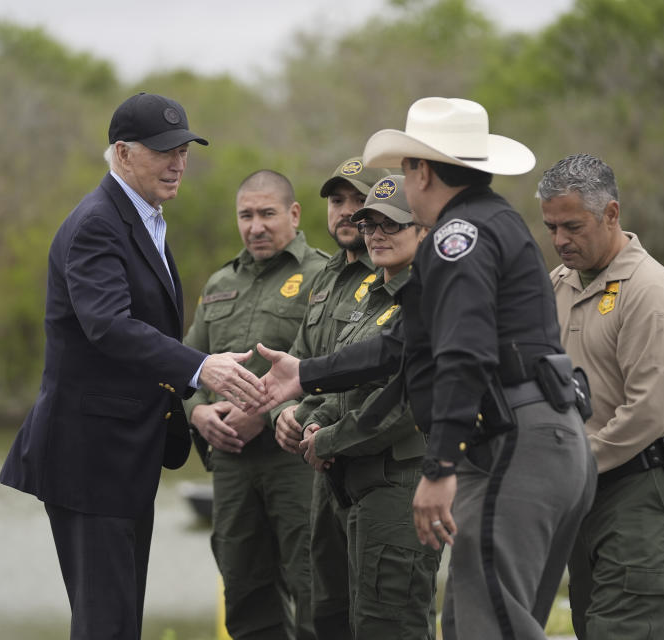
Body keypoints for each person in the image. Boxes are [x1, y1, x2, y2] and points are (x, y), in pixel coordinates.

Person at [255, 97, 596, 640]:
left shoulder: (458, 239)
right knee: (470, 623)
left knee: (491, 625)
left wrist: (438, 469)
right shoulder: (489, 224)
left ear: (422, 171)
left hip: (517, 444)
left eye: (407, 168)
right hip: (538, 440)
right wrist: (306, 374)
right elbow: (403, 345)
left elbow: (462, 356)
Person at [0, 92, 266, 640]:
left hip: (122, 458)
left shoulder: (144, 220)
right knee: (106, 625)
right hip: (88, 459)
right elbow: (108, 326)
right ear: (122, 154)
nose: (178, 162)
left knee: (118, 624)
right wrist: (201, 369)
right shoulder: (98, 223)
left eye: (185, 149)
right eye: (163, 150)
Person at [537, 154, 664, 640]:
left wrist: (568, 464)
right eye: (551, 227)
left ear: (611, 214)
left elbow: (647, 412)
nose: (560, 240)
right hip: (583, 487)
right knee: (591, 624)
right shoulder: (557, 284)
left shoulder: (651, 292)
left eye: (572, 226)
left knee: (624, 629)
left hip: (640, 487)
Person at [183, 170, 329, 640]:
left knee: (314, 589)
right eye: (246, 215)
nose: (256, 226)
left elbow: (332, 365)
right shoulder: (220, 281)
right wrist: (198, 413)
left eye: (267, 213)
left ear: (294, 214)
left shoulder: (323, 275)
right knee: (243, 590)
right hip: (231, 466)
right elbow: (189, 365)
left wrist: (260, 413)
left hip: (296, 461)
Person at [299, 175, 442, 639]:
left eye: (392, 224)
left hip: (403, 482)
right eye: (368, 224)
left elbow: (402, 405)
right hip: (356, 485)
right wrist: (316, 418)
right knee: (348, 620)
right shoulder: (368, 297)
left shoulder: (432, 299)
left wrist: (327, 440)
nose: (376, 235)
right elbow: (348, 384)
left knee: (391, 624)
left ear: (424, 231)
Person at [270, 156, 387, 640]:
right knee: (326, 614)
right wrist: (282, 413)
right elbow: (299, 362)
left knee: (385, 616)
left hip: (376, 465)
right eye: (338, 201)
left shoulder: (391, 278)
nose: (346, 212)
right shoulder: (326, 278)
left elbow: (372, 380)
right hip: (323, 472)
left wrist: (312, 417)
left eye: (359, 201)